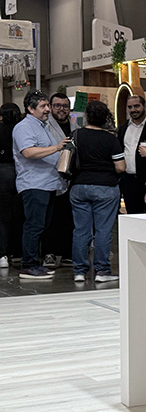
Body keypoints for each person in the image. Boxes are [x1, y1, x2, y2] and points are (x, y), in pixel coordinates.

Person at [11, 90, 70, 280]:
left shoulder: (42, 126)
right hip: (34, 184)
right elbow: (28, 152)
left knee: (42, 225)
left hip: (48, 184)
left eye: (47, 105)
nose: (47, 109)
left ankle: (34, 262)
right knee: (34, 225)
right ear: (30, 108)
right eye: (43, 106)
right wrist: (56, 147)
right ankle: (29, 264)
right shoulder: (24, 127)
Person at [69, 100, 126, 283]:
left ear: (87, 116)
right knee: (103, 231)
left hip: (79, 187)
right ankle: (102, 271)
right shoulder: (110, 139)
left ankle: (79, 271)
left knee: (81, 230)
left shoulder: (76, 135)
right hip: (105, 188)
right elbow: (120, 167)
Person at [43, 92, 75, 268]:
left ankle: (66, 253)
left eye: (65, 106)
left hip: (70, 180)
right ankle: (49, 253)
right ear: (51, 107)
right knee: (50, 219)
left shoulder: (75, 126)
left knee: (67, 218)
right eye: (57, 106)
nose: (62, 109)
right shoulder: (45, 127)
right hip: (51, 177)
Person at [117, 95, 146, 214]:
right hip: (128, 181)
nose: (133, 110)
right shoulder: (123, 128)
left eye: (137, 106)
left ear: (145, 106)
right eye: (130, 107)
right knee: (132, 214)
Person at [0, 103, 22, 269]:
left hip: (2, 174)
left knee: (3, 218)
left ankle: (3, 254)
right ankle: (18, 252)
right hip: (21, 173)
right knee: (21, 215)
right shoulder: (21, 130)